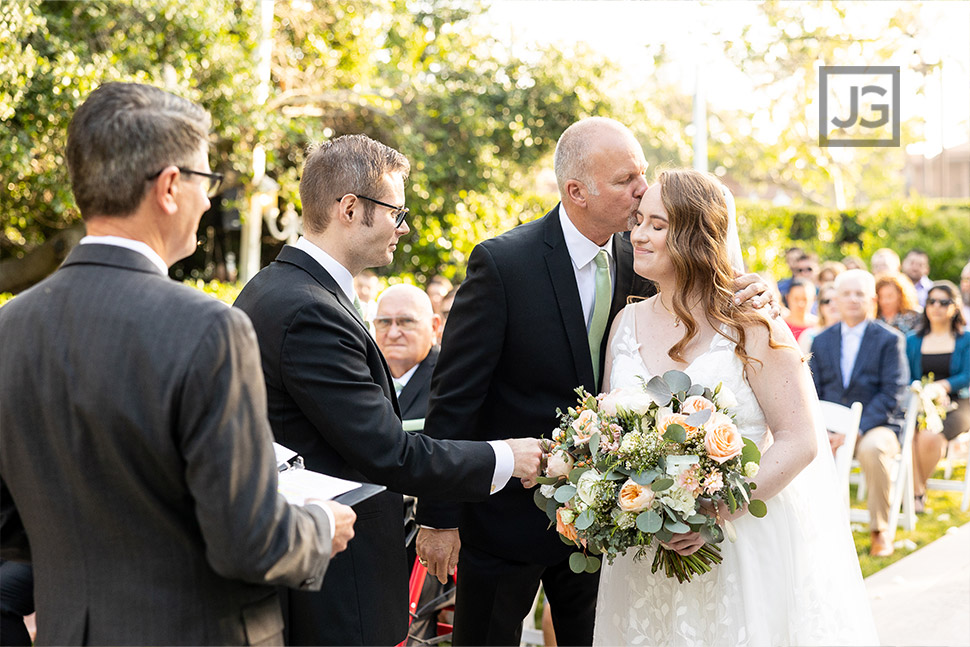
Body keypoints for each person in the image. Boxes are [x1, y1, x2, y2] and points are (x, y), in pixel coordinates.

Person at [0, 82, 355, 645]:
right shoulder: (209, 330)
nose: (211, 200)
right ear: (169, 187)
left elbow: (9, 522)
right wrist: (318, 526)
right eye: (207, 180)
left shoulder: (9, 327)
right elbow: (249, 542)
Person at [415, 118, 770, 646]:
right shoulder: (503, 263)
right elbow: (456, 395)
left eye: (643, 173)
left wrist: (753, 288)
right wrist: (438, 516)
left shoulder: (647, 258)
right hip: (505, 518)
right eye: (627, 179)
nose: (643, 190)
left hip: (615, 526)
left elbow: (708, 285)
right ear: (576, 191)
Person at [233, 133, 542, 646]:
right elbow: (388, 452)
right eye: (397, 212)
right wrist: (505, 457)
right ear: (351, 209)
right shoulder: (308, 310)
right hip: (334, 585)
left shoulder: (276, 288)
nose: (403, 227)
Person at [594, 168, 877, 645]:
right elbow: (606, 431)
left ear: (696, 236)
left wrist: (714, 511)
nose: (638, 234)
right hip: (644, 550)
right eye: (638, 220)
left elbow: (800, 439)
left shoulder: (751, 323)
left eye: (657, 225)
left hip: (738, 539)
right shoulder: (625, 322)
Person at [810, 269, 910, 557]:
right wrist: (825, 431)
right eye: (846, 294)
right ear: (836, 300)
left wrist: (854, 431)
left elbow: (893, 393)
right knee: (806, 448)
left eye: (859, 294)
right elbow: (812, 391)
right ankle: (816, 528)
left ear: (873, 300)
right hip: (829, 428)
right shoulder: (821, 340)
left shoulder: (889, 340)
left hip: (875, 426)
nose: (853, 300)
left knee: (873, 450)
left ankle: (880, 531)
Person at [906, 281, 970, 514]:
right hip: (918, 401)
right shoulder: (912, 340)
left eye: (943, 302)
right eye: (931, 301)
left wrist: (943, 386)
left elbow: (967, 374)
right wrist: (924, 393)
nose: (936, 307)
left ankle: (913, 490)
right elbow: (907, 375)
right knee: (909, 435)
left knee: (929, 438)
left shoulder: (966, 339)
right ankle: (917, 492)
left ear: (955, 306)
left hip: (958, 402)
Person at [374, 283, 442, 421]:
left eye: (406, 321)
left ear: (434, 327)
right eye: (384, 322)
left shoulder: (450, 377)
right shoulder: (363, 374)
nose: (393, 334)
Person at [798, 282, 840, 354]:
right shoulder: (809, 336)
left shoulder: (851, 335)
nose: (832, 304)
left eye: (836, 300)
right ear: (820, 306)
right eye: (826, 301)